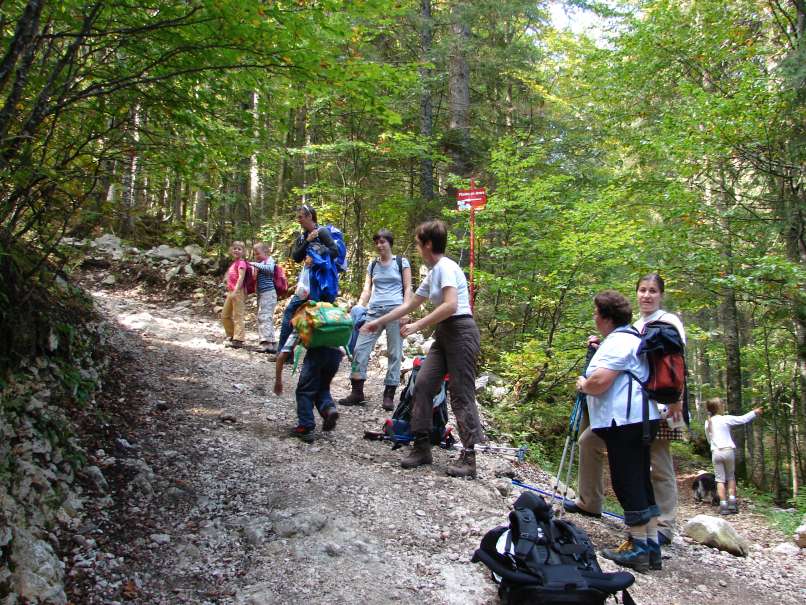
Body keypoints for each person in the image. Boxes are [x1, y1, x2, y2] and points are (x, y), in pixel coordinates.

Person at [565, 273, 686, 546]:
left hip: (657, 404)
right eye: (642, 290)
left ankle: (661, 527)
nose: (646, 295)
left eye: (652, 290)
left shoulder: (668, 322)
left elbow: (677, 365)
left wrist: (677, 400)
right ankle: (591, 501)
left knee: (654, 465)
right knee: (591, 443)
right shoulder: (634, 328)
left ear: (661, 295)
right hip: (638, 407)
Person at [361, 220, 484, 478]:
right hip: (445, 334)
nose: (417, 249)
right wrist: (377, 322)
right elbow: (409, 305)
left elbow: (451, 305)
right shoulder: (434, 272)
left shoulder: (446, 267)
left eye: (418, 244)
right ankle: (422, 447)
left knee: (461, 394)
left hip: (461, 331)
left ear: (428, 244)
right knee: (423, 384)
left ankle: (469, 459)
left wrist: (417, 326)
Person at [575, 290, 661, 573]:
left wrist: (582, 384)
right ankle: (650, 546)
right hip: (642, 417)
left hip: (623, 420)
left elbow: (600, 381)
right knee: (641, 480)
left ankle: (638, 547)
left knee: (628, 480)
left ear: (607, 318)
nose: (595, 317)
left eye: (597, 313)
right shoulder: (633, 338)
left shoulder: (617, 341)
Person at [339, 229, 412, 410]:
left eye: (383, 242)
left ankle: (389, 395)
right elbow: (367, 289)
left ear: (390, 243)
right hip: (373, 312)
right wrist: (359, 307)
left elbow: (408, 287)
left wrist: (406, 311)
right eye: (377, 242)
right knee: (359, 349)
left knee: (395, 353)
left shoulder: (401, 262)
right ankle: (357, 392)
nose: (379, 245)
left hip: (396, 312)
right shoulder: (372, 265)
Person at [277, 205, 340, 353]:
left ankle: (327, 352)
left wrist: (316, 257)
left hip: (321, 283)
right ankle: (285, 353)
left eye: (301, 217)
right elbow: (296, 257)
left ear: (310, 217)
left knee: (322, 316)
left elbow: (334, 251)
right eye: (298, 217)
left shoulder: (322, 232)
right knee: (290, 313)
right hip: (305, 284)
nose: (298, 220)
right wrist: (307, 241)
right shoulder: (303, 236)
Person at [274, 321, 341, 443]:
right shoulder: (330, 321)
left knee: (304, 391)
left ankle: (305, 427)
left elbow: (282, 356)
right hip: (335, 356)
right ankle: (329, 409)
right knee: (323, 388)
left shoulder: (302, 323)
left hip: (316, 355)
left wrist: (278, 381)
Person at [705, 397, 762, 514]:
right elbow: (743, 419)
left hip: (716, 452)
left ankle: (723, 505)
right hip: (728, 450)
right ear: (719, 407)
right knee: (730, 477)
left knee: (719, 480)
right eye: (722, 404)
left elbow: (709, 440)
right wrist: (754, 412)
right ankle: (732, 503)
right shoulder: (725, 419)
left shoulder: (708, 422)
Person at [249, 243, 278, 353]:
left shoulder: (269, 260)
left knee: (264, 316)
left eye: (258, 254)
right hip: (263, 294)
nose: (256, 256)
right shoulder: (261, 263)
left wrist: (255, 264)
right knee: (265, 316)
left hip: (269, 293)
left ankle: (266, 343)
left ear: (266, 252)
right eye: (255, 254)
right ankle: (271, 342)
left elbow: (270, 269)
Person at [221, 241, 250, 348]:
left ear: (243, 251)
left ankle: (238, 339)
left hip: (238, 292)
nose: (236, 250)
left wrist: (235, 291)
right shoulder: (234, 263)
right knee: (225, 315)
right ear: (231, 250)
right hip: (231, 291)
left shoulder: (241, 263)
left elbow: (241, 278)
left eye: (239, 249)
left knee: (238, 315)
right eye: (235, 248)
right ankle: (231, 334)